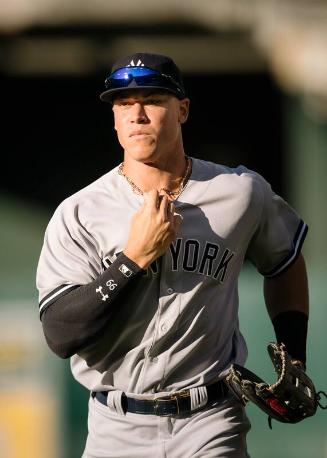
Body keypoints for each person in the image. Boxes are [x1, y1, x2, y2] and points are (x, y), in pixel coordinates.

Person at [36, 52, 309, 458]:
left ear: (182, 110)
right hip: (116, 425)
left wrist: (295, 354)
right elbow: (60, 333)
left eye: (152, 100)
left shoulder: (239, 192)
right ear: (113, 118)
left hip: (211, 420)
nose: (137, 114)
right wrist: (132, 260)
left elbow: (285, 261)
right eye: (124, 104)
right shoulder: (80, 212)